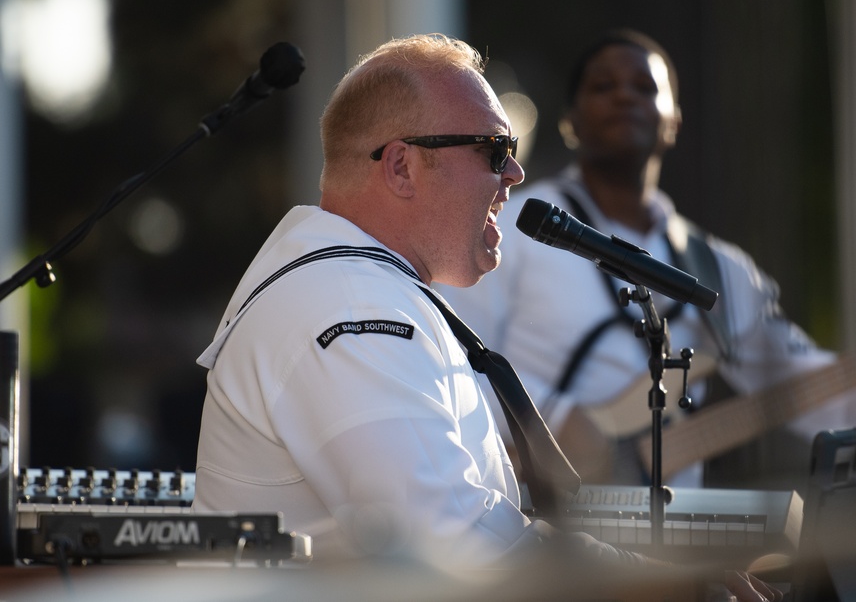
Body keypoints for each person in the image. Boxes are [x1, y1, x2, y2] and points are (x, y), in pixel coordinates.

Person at [191, 34, 780, 601]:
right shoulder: (350, 304)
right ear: (400, 167)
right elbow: (448, 541)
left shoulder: (368, 290)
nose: (514, 177)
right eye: (494, 150)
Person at [437, 28, 856, 489]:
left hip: (668, 544)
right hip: (534, 528)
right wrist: (554, 420)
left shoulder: (720, 270)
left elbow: (813, 386)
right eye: (603, 85)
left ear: (674, 120)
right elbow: (454, 349)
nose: (624, 95)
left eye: (643, 86)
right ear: (571, 123)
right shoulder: (511, 225)